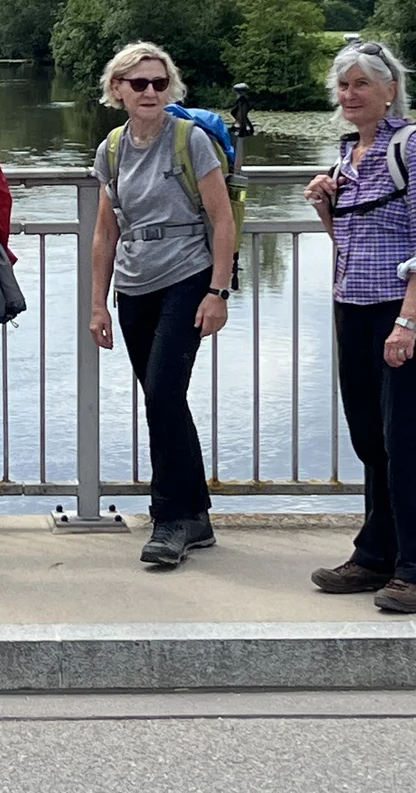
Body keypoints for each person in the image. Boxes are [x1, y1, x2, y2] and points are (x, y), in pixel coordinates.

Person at [302, 40, 416, 614]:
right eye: (343, 86)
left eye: (362, 84)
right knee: (371, 439)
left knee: (406, 440)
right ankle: (375, 556)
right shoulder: (349, 155)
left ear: (390, 90)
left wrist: (409, 322)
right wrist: (325, 205)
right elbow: (351, 243)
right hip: (355, 307)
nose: (349, 95)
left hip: (405, 311)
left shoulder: (415, 148)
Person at [88, 42, 235, 568]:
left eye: (159, 83)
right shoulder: (111, 149)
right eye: (138, 83)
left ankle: (170, 517)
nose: (150, 92)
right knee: (160, 396)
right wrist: (98, 305)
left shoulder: (189, 139)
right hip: (133, 285)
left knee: (163, 394)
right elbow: (105, 232)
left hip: (185, 277)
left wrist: (217, 291)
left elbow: (222, 220)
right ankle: (193, 515)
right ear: (118, 90)